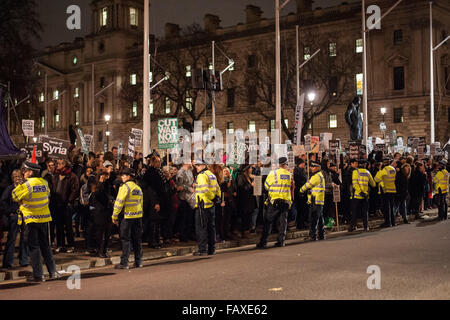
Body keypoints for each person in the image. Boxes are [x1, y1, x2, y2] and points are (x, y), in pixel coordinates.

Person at [12, 161, 59, 282]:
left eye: (25, 171)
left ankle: (38, 275)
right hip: (44, 219)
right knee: (46, 246)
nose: (24, 173)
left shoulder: (26, 184)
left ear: (30, 172)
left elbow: (14, 196)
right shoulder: (44, 182)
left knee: (34, 247)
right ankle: (52, 272)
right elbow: (47, 197)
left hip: (31, 220)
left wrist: (19, 188)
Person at [257, 157, 293, 249]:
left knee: (268, 222)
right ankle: (281, 241)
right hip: (285, 201)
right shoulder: (289, 174)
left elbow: (266, 186)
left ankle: (263, 242)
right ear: (285, 164)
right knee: (283, 223)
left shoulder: (273, 173)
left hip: (275, 201)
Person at [112, 168, 144, 269]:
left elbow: (119, 202)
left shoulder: (124, 187)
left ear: (129, 176)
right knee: (137, 239)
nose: (122, 177)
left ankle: (124, 263)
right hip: (137, 216)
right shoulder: (138, 188)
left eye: (124, 175)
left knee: (125, 239)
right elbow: (141, 203)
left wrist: (114, 215)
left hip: (127, 217)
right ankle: (139, 261)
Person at [192, 160, 221, 256]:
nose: (197, 167)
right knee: (211, 227)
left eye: (199, 165)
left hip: (202, 205)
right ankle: (212, 249)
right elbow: (218, 189)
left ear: (204, 165)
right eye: (196, 165)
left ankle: (202, 249)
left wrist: (212, 197)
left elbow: (204, 190)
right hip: (211, 205)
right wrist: (216, 198)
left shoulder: (201, 175)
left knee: (201, 228)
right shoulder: (211, 175)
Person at [1, 169, 29, 268]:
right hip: (15, 216)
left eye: (19, 177)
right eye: (16, 177)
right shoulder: (9, 189)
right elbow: (3, 202)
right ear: (13, 178)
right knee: (12, 238)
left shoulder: (25, 188)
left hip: (25, 215)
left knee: (24, 239)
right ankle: (8, 262)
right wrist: (11, 212)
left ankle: (24, 260)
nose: (18, 179)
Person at [52, 159, 79, 253]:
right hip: (57, 204)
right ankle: (60, 245)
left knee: (68, 226)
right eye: (57, 163)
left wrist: (69, 201)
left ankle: (71, 245)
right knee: (58, 226)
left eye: (60, 163)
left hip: (67, 205)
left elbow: (75, 190)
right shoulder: (55, 175)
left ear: (65, 165)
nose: (58, 165)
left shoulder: (71, 176)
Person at [300, 161, 326, 241]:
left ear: (318, 167)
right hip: (319, 200)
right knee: (320, 219)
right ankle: (321, 235)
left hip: (316, 200)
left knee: (313, 219)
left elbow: (308, 185)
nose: (311, 168)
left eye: (313, 166)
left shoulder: (316, 176)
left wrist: (301, 190)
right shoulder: (320, 175)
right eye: (311, 166)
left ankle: (312, 236)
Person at [349, 159, 376, 232]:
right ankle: (366, 226)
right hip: (366, 195)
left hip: (357, 195)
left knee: (354, 211)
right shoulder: (367, 172)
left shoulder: (355, 172)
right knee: (365, 212)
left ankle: (353, 226)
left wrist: (360, 192)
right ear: (364, 165)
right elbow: (373, 184)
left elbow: (355, 184)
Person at [176, 161, 196, 242]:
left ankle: (188, 234)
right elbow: (179, 185)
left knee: (189, 217)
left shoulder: (190, 171)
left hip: (190, 198)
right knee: (184, 218)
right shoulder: (181, 172)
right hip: (184, 197)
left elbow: (191, 181)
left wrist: (193, 185)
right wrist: (188, 188)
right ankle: (183, 235)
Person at [374, 159, 398, 227]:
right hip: (393, 190)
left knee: (386, 208)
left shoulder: (384, 170)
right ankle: (393, 222)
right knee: (391, 206)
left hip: (386, 190)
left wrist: (379, 171)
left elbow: (376, 179)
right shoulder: (393, 169)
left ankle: (388, 222)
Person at [294, 158, 308, 229]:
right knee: (300, 208)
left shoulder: (303, 171)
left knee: (303, 209)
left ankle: (302, 222)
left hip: (304, 191)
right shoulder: (296, 172)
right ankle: (299, 223)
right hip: (299, 192)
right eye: (302, 163)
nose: (303, 165)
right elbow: (298, 181)